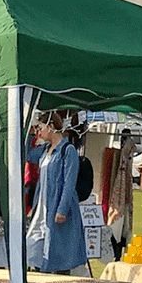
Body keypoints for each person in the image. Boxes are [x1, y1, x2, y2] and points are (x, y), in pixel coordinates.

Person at [25, 111, 88, 274]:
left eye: (41, 128)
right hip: (43, 206)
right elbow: (27, 154)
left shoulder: (68, 150)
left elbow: (69, 182)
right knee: (33, 246)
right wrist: (29, 133)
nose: (39, 132)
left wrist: (62, 209)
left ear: (51, 127)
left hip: (57, 208)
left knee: (58, 251)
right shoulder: (45, 150)